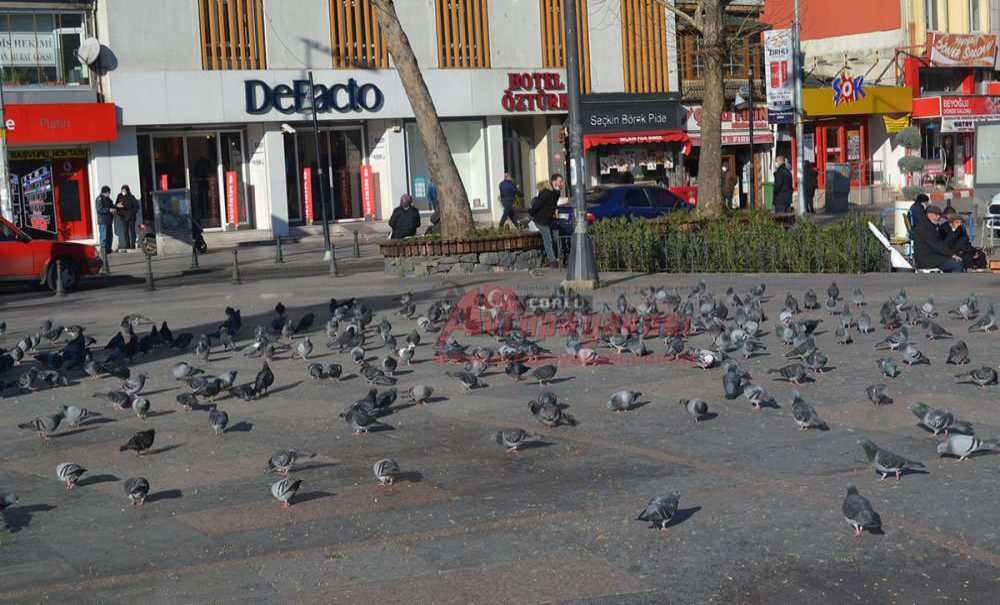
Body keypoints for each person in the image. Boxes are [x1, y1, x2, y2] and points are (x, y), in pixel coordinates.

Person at [913, 205, 964, 272]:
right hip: (927, 259)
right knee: (957, 263)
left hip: (932, 255)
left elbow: (940, 241)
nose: (939, 217)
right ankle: (956, 282)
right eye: (937, 215)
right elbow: (936, 245)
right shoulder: (925, 227)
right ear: (930, 214)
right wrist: (952, 254)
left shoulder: (929, 224)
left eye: (940, 215)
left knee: (957, 258)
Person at [530, 174, 562, 267]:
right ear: (554, 182)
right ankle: (552, 261)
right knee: (548, 239)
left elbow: (553, 204)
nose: (561, 183)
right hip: (541, 220)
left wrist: (555, 211)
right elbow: (537, 205)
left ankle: (557, 258)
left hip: (549, 219)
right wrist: (531, 214)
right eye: (560, 181)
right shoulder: (545, 192)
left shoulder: (557, 193)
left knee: (556, 237)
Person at [115, 185, 140, 250]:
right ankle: (127, 245)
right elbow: (116, 205)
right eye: (122, 190)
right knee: (125, 231)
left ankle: (133, 244)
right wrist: (117, 206)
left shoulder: (131, 197)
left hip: (131, 217)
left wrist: (132, 213)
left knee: (132, 231)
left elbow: (136, 207)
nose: (123, 192)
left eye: (124, 190)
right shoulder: (119, 196)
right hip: (123, 216)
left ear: (127, 191)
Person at [95, 185, 114, 254]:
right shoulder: (99, 199)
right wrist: (109, 210)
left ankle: (108, 249)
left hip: (109, 220)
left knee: (110, 236)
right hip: (103, 221)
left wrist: (116, 206)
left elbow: (112, 206)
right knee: (104, 236)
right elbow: (99, 209)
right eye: (108, 193)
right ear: (104, 192)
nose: (109, 194)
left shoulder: (108, 199)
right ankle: (103, 251)